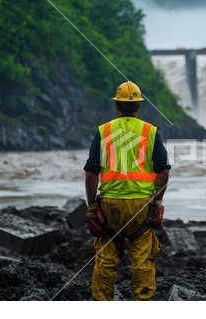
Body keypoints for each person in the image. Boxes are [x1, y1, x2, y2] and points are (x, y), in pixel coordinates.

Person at [84, 81, 171, 301]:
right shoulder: (150, 131)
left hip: (110, 205)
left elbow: (91, 174)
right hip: (141, 207)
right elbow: (163, 172)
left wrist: (92, 207)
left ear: (117, 107)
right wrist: (157, 203)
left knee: (106, 261)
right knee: (142, 261)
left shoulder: (103, 131)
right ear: (139, 107)